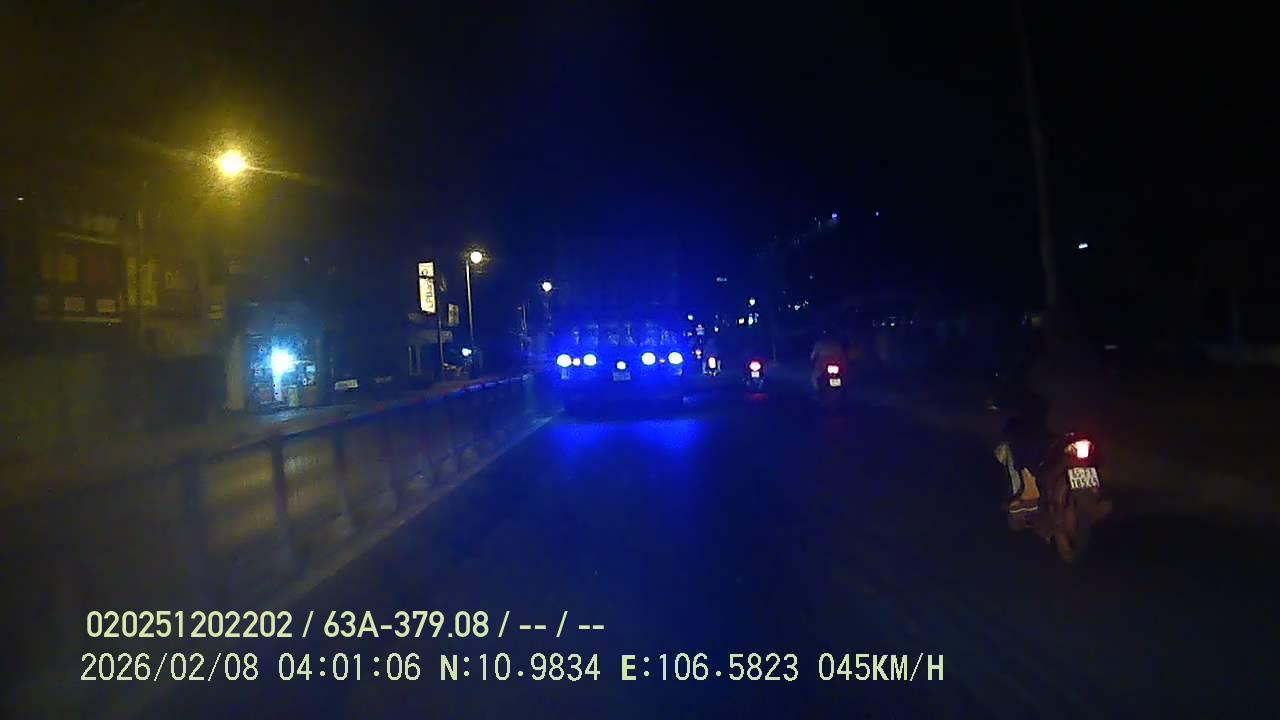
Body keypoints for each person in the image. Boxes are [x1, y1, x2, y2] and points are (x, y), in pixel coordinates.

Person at [992, 361, 1050, 514]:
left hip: (1037, 430)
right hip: (1054, 424)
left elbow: (1002, 403)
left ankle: (1030, 492)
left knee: (1017, 447)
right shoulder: (1044, 375)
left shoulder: (1019, 384)